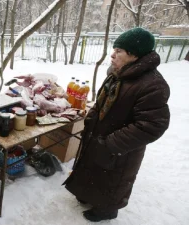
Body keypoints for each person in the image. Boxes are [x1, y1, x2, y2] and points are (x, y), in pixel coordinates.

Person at [63, 28, 170, 222]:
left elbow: (152, 125)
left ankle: (106, 210)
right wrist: (91, 119)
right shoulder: (117, 73)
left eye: (119, 51)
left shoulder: (152, 85)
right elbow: (101, 100)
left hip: (120, 148)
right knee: (93, 169)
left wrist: (111, 143)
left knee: (112, 180)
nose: (112, 54)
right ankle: (86, 194)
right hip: (99, 136)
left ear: (134, 55)